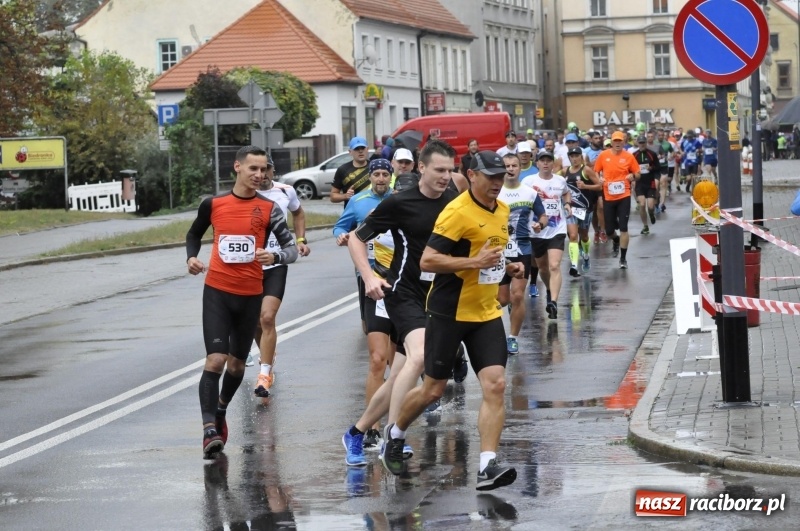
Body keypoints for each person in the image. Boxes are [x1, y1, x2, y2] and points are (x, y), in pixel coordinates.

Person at [380, 149, 523, 491]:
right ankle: (395, 432)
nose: (497, 184)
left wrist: (508, 268)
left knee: (496, 385)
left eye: (502, 177)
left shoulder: (502, 210)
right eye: (491, 177)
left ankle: (487, 466)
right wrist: (474, 263)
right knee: (433, 390)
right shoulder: (456, 212)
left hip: (486, 312)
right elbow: (428, 261)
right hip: (449, 312)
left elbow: (492, 258)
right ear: (472, 176)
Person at [342, 140, 460, 467]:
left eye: (449, 171)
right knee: (420, 356)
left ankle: (356, 431)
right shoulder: (399, 202)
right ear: (421, 168)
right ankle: (394, 437)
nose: (444, 177)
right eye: (439, 170)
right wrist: (368, 277)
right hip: (403, 292)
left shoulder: (454, 200)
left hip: (437, 296)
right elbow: (356, 237)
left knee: (400, 376)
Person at [186, 145, 298, 458]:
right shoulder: (214, 203)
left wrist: (274, 255)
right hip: (218, 292)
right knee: (216, 360)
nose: (259, 175)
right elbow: (193, 234)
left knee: (236, 365)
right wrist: (191, 258)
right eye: (253, 169)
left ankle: (220, 411)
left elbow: (291, 250)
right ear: (237, 167)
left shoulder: (269, 208)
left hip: (251, 295)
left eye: (264, 170)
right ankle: (209, 429)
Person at [332, 159, 395, 448]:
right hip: (370, 278)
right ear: (370, 177)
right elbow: (340, 228)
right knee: (377, 358)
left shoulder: (400, 199)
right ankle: (371, 427)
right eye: (376, 174)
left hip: (402, 281)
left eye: (385, 174)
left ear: (391, 177)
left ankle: (397, 425)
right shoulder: (358, 201)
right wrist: (342, 236)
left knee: (402, 358)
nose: (381, 178)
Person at [249, 154, 311, 398]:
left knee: (267, 317)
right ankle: (267, 354)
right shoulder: (246, 194)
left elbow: (299, 213)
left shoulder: (286, 191)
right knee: (255, 321)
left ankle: (264, 374)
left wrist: (300, 240)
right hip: (251, 265)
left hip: (277, 261)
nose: (262, 175)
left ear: (273, 171)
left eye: (267, 170)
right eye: (259, 170)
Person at [498, 153, 547, 354]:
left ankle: (512, 338)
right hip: (498, 250)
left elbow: (542, 215)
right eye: (507, 165)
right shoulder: (494, 192)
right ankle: (508, 307)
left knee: (518, 295)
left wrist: (539, 225)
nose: (510, 169)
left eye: (514, 165)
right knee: (502, 299)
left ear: (520, 168)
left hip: (522, 248)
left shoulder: (530, 193)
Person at [522, 150, 571, 319]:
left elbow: (566, 192)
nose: (545, 163)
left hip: (557, 229)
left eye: (548, 161)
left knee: (555, 265)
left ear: (553, 164)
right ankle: (550, 290)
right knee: (542, 267)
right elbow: (522, 201)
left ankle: (554, 302)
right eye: (542, 161)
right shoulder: (528, 181)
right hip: (536, 231)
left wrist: (567, 204)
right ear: (537, 164)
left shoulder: (560, 180)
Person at [593, 131, 640, 269]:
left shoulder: (629, 157)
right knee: (609, 230)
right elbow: (596, 171)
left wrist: (633, 176)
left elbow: (638, 174)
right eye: (615, 141)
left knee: (624, 227)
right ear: (611, 142)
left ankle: (623, 258)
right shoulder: (604, 155)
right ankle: (616, 240)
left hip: (624, 195)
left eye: (620, 141)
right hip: (609, 196)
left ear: (624, 142)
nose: (618, 143)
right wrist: (599, 178)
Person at [559, 147, 602, 275]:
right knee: (573, 236)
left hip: (585, 209)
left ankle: (586, 255)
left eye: (576, 156)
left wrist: (585, 186)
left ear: (581, 157)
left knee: (584, 236)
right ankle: (574, 266)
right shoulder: (565, 171)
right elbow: (552, 178)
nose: (574, 159)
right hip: (570, 208)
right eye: (571, 156)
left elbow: (599, 185)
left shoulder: (586, 170)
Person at [331, 136, 371, 205]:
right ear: (350, 152)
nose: (360, 151)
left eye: (363, 148)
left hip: (373, 212)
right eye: (356, 149)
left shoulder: (375, 166)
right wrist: (345, 196)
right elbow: (333, 196)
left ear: (367, 149)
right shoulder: (342, 170)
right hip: (352, 212)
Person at [632, 136, 659, 235]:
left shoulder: (652, 154)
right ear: (637, 143)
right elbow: (630, 168)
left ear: (646, 143)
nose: (642, 144)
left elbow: (658, 167)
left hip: (650, 182)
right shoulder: (634, 155)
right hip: (639, 183)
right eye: (640, 143)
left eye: (643, 143)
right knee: (642, 205)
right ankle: (645, 226)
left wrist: (651, 168)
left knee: (650, 206)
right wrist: (633, 177)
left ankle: (651, 214)